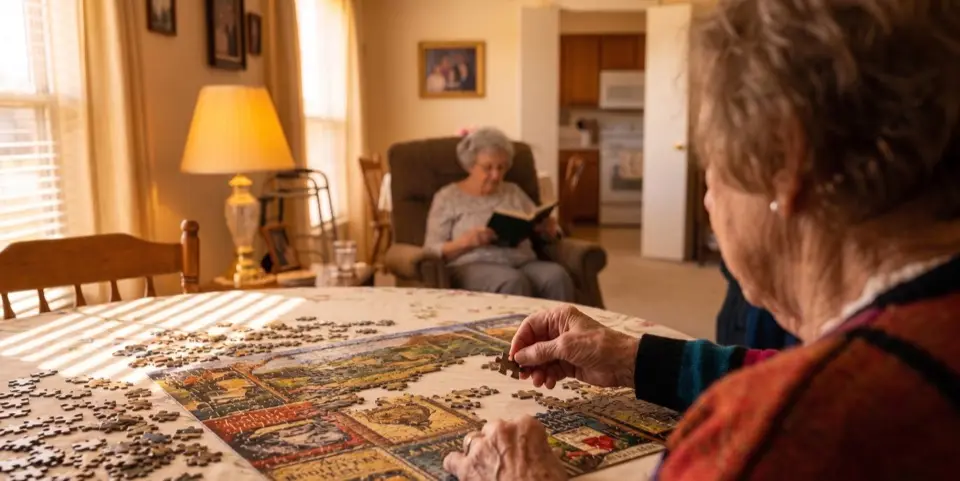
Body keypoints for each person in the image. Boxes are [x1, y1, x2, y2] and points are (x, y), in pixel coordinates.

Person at [443, 1, 960, 479]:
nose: (709, 200)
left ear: (786, 162)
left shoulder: (770, 437)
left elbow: (790, 400)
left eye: (712, 164)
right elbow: (777, 369)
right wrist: (628, 355)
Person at [423, 127, 575, 302]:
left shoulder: (513, 191)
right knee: (512, 281)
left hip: (522, 260)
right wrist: (464, 242)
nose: (495, 175)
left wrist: (548, 229)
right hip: (474, 264)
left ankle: (564, 322)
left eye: (501, 167)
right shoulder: (447, 197)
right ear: (470, 165)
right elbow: (430, 250)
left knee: (556, 276)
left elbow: (533, 219)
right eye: (488, 168)